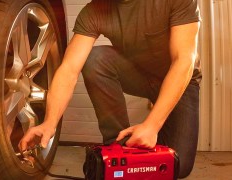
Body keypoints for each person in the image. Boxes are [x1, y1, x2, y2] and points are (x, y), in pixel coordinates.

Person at [18, 0, 201, 178]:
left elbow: (184, 61)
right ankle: (118, 148)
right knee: (95, 60)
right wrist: (50, 122)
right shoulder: (94, 11)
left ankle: (150, 138)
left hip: (181, 79)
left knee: (178, 165)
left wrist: (152, 125)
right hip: (139, 74)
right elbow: (69, 70)